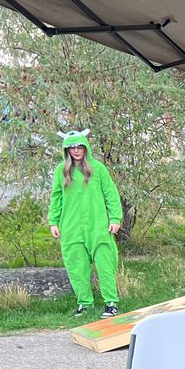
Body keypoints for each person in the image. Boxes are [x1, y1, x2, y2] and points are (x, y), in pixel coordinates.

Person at [47, 129, 123, 318]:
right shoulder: (61, 170)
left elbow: (111, 194)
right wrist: (53, 222)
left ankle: (111, 303)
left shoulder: (98, 168)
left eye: (79, 146)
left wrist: (115, 218)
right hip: (71, 226)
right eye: (72, 147)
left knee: (105, 264)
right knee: (76, 266)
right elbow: (56, 198)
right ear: (67, 150)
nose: (76, 150)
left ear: (85, 147)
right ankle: (85, 303)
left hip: (97, 225)